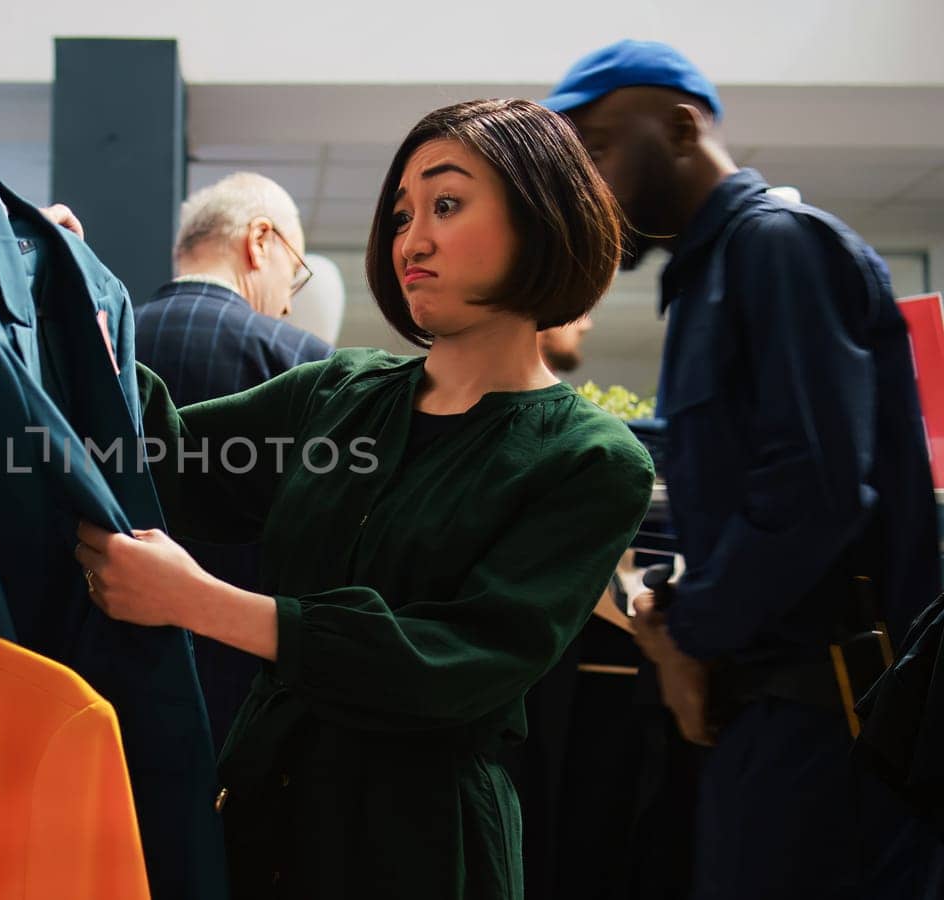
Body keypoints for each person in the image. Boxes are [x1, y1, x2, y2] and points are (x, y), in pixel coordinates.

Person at [68, 98, 655, 898]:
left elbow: (451, 664)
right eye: (403, 213)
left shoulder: (590, 460)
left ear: (540, 217)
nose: (411, 239)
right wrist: (83, 306)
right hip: (262, 815)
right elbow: (166, 459)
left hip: (419, 849)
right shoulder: (339, 394)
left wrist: (197, 601)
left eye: (446, 205)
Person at [546, 39, 943, 900]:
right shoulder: (705, 283)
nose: (589, 185)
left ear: (681, 127)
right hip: (761, 713)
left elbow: (817, 490)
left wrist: (688, 634)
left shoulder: (778, 248)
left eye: (600, 149)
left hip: (837, 719)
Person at [133, 173, 334, 748]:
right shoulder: (303, 366)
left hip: (101, 672)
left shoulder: (101, 349)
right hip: (244, 692)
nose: (290, 299)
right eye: (293, 272)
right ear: (259, 241)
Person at [134, 172, 333, 407]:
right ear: (259, 241)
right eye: (293, 272)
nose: (287, 307)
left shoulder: (104, 338)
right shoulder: (306, 362)